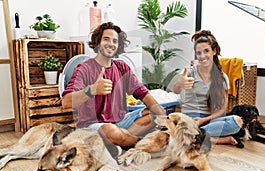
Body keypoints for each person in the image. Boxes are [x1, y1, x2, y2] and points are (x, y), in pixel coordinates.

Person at [61, 22, 165, 153]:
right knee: (110, 130)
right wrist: (92, 90)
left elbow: (142, 93)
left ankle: (120, 141)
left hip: (121, 121)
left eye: (115, 41)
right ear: (98, 41)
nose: (111, 44)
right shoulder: (84, 68)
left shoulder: (122, 67)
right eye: (106, 39)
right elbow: (65, 102)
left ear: (118, 45)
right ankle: (145, 144)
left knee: (154, 113)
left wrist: (163, 117)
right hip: (93, 125)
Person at [172, 30, 243, 145]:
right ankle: (214, 139)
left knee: (237, 121)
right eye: (199, 53)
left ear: (214, 51)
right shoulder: (189, 73)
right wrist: (180, 83)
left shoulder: (222, 78)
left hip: (208, 120)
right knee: (183, 127)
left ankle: (194, 136)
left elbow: (222, 109)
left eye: (206, 51)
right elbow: (176, 90)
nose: (202, 56)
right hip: (189, 119)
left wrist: (203, 120)